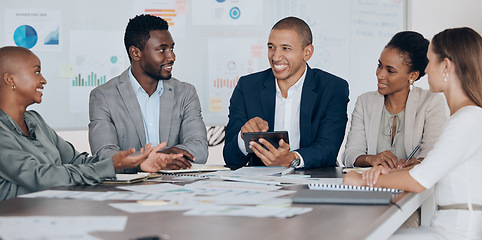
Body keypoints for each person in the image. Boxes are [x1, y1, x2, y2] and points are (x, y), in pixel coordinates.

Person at [344, 27, 482, 239]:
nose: (426, 70)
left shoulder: (467, 119)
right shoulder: (466, 118)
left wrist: (362, 180)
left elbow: (419, 179)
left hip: (454, 233)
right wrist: (380, 172)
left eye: (430, 62)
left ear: (445, 66)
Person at [0, 46, 180, 200]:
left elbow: (77, 161)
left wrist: (134, 164)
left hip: (51, 210)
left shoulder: (34, 120)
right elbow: (40, 177)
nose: (43, 80)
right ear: (10, 80)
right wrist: (111, 166)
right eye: (36, 72)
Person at [223, 16, 349, 169]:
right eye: (271, 47)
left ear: (307, 52)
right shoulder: (247, 87)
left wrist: (291, 159)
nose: (275, 57)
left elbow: (328, 149)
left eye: (285, 48)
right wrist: (243, 138)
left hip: (312, 183)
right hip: (261, 186)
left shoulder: (333, 88)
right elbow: (230, 158)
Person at [89, 14, 208, 172]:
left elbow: (199, 149)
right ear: (135, 53)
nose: (171, 57)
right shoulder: (103, 96)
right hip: (128, 191)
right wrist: (155, 159)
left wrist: (160, 157)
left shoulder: (186, 93)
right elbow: (104, 154)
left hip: (176, 188)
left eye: (171, 48)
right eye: (162, 50)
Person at [343, 31, 446, 169]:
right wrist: (371, 159)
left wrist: (419, 162)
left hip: (413, 188)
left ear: (413, 75)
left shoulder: (431, 103)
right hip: (372, 186)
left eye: (390, 71)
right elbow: (350, 155)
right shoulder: (365, 102)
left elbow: (434, 155)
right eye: (380, 66)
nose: (380, 75)